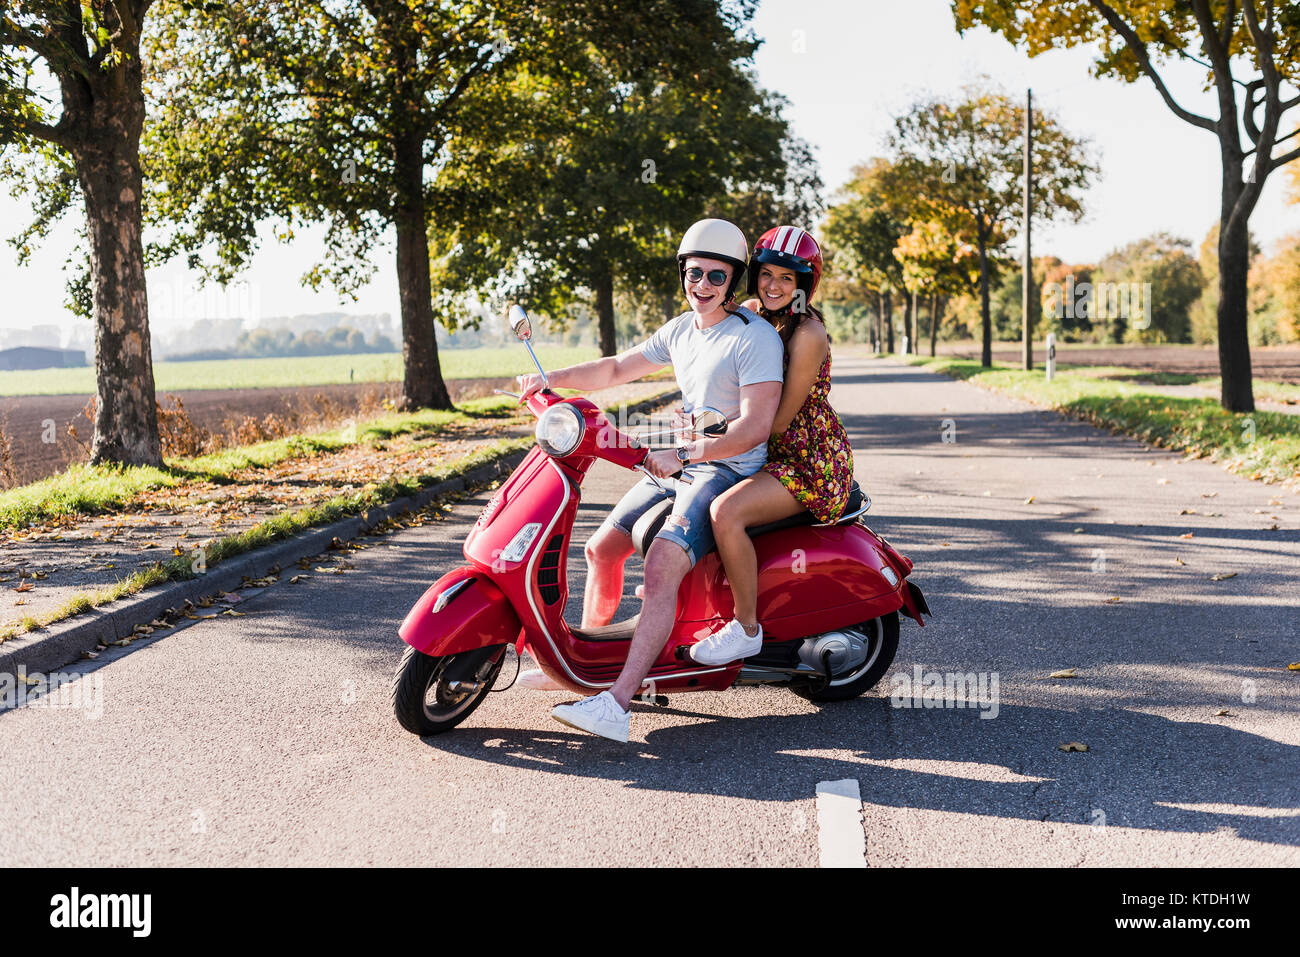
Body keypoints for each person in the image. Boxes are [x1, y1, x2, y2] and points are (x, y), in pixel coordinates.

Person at [515, 219, 785, 742]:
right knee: (601, 549)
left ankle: (618, 702)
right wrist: (551, 379)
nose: (701, 285)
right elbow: (617, 368)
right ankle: (581, 671)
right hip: (681, 463)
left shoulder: (755, 340)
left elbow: (753, 428)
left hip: (724, 470)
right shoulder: (683, 328)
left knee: (662, 563)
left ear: (734, 280)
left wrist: (683, 453)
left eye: (715, 275)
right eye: (693, 273)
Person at [688, 225, 855, 666]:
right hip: (763, 447)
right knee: (692, 492)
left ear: (804, 284)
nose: (774, 286)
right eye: (767, 275)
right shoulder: (749, 312)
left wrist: (719, 436)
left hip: (805, 459)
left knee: (726, 511)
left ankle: (746, 629)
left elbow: (777, 420)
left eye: (787, 278)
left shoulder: (808, 334)